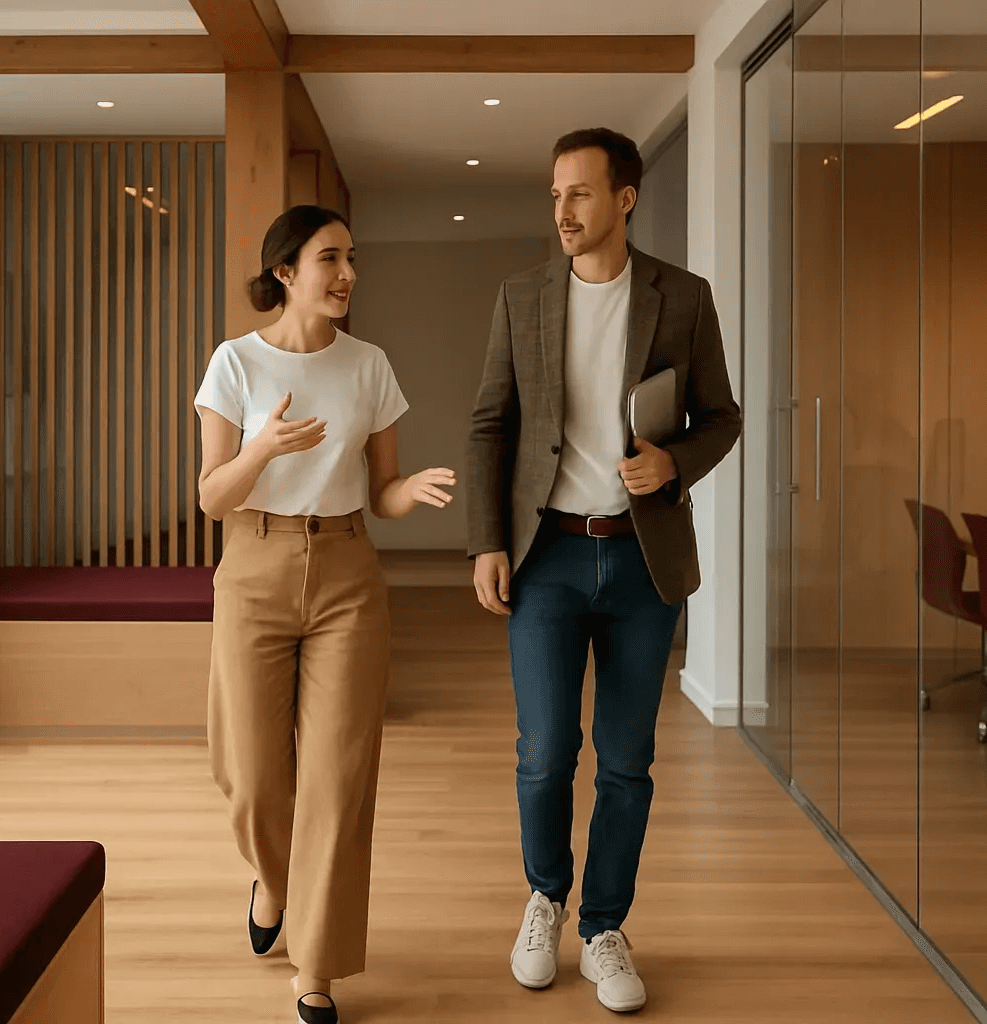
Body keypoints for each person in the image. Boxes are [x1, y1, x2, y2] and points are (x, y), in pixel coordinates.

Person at [465, 128, 743, 1013]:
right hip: (546, 554)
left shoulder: (683, 297)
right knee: (546, 753)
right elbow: (488, 425)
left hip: (640, 560)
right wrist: (485, 541)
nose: (563, 211)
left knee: (626, 759)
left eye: (580, 194)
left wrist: (674, 465)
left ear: (624, 198)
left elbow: (722, 419)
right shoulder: (522, 297)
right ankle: (545, 897)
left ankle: (605, 927)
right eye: (555, 194)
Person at [195, 205, 456, 1024]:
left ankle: (317, 965)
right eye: (330, 259)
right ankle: (273, 879)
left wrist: (404, 496)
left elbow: (380, 490)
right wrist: (263, 448)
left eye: (351, 259)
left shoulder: (369, 365)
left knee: (339, 781)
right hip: (254, 566)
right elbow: (209, 497)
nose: (347, 275)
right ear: (286, 271)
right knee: (252, 779)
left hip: (347, 572)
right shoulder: (233, 364)